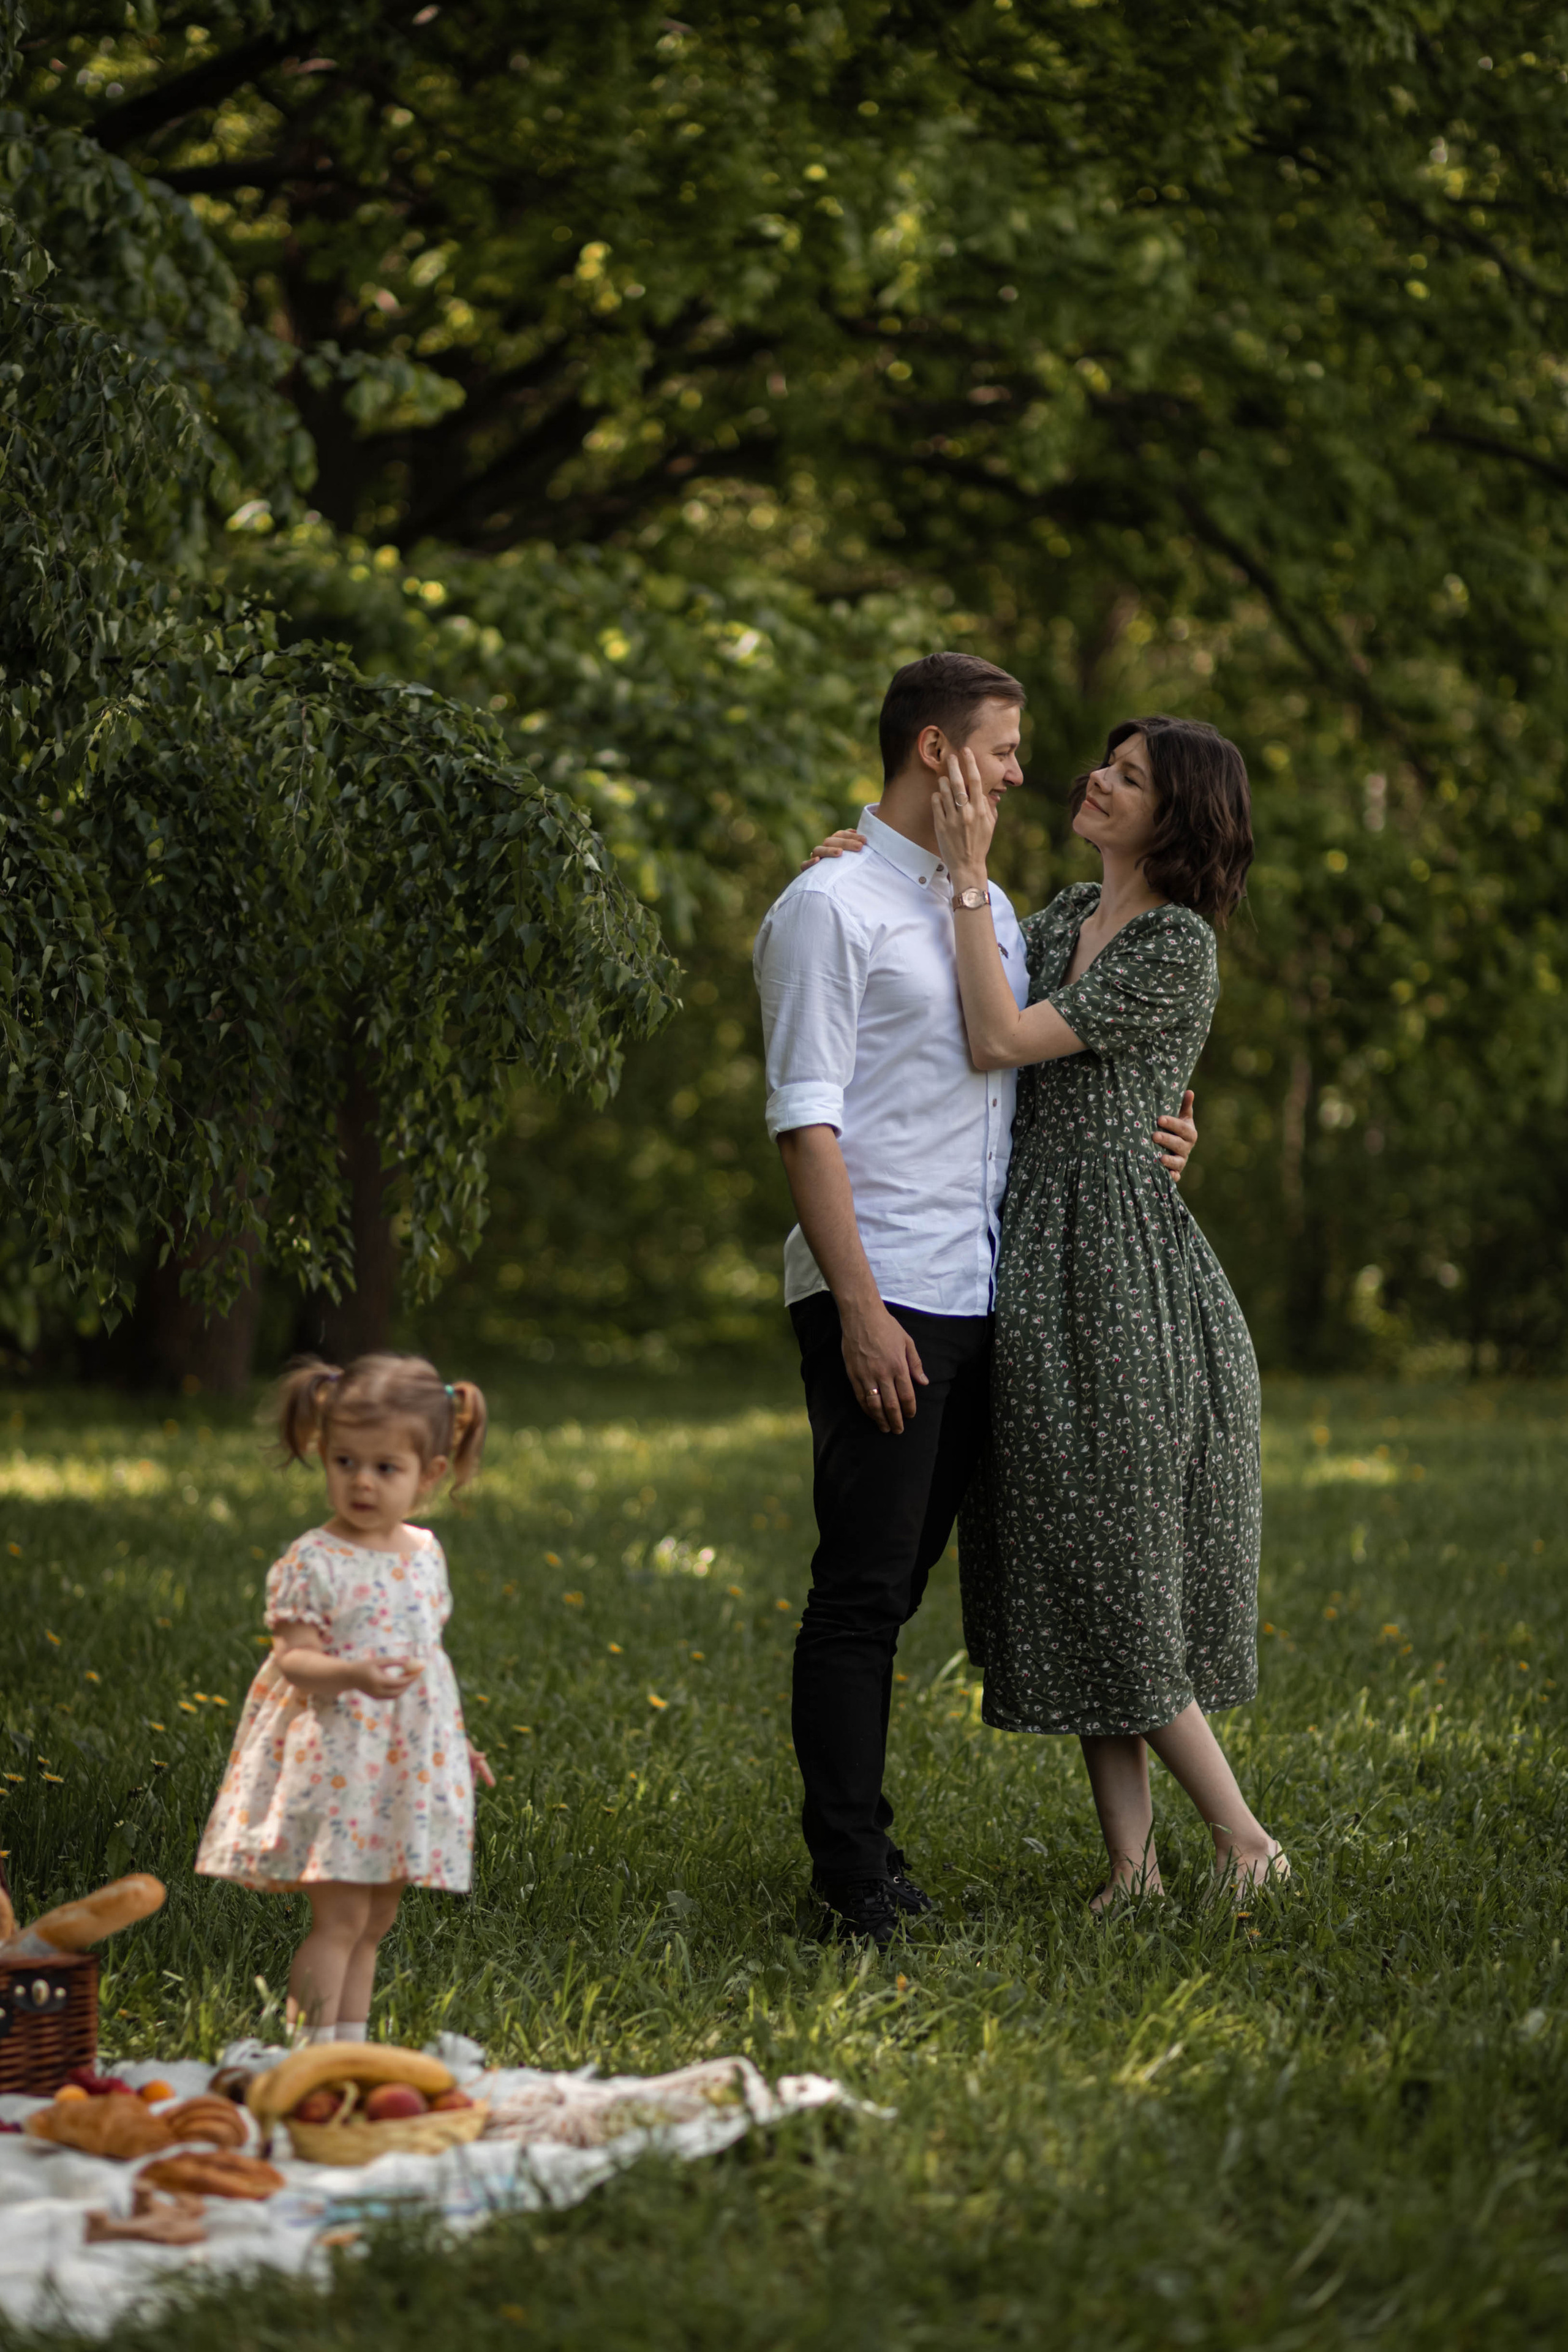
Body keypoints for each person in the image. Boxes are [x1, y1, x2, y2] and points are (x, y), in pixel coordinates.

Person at [753, 652, 1199, 1947]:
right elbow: (803, 1120)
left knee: (906, 1583)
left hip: (986, 1289)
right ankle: (852, 1881)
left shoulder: (992, 908)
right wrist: (856, 1305)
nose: (1026, 771)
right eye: (1002, 748)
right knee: (862, 1590)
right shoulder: (825, 909)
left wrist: (1167, 1135)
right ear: (940, 754)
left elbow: (1061, 1056)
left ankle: (880, 1859)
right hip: (884, 1291)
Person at [925, 718, 1284, 1905]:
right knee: (1072, 1557)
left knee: (1114, 1565)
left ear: (1174, 813)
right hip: (1035, 1263)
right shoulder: (1065, 913)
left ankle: (1243, 1841)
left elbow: (998, 1036)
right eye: (1107, 763)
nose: (1097, 780)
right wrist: (885, 872)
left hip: (1124, 1278)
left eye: (1128, 777)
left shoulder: (1174, 943)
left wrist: (967, 878)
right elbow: (950, 990)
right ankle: (1129, 1871)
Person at [195, 1352, 494, 2038]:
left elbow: (429, 1661)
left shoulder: (423, 1553)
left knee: (377, 1920)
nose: (362, 1483)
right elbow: (294, 1658)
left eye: (385, 1468)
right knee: (340, 1919)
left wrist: (456, 1743)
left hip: (402, 1764)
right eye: (345, 1463)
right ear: (321, 1455)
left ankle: (349, 2045)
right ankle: (309, 2049)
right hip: (336, 1763)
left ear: (431, 1475)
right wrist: (354, 1675)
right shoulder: (315, 1559)